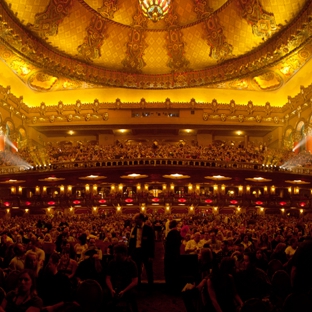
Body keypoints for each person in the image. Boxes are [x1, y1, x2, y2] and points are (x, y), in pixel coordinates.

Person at [105, 243, 138, 312]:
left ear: (123, 254)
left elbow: (135, 281)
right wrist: (111, 289)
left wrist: (124, 291)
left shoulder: (131, 264)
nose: (114, 254)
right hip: (114, 287)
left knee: (132, 295)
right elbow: (108, 278)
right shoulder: (112, 263)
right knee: (104, 294)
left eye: (116, 253)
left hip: (126, 287)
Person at [128, 213, 154, 288]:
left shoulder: (148, 229)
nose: (135, 220)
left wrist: (151, 255)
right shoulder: (134, 229)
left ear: (141, 219)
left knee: (149, 270)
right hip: (136, 252)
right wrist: (130, 254)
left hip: (146, 252)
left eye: (136, 219)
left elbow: (151, 243)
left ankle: (150, 288)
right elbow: (131, 242)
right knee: (137, 270)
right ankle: (138, 287)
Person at [164, 220, 181, 293]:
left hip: (170, 256)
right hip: (176, 255)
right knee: (175, 272)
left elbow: (168, 246)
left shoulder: (171, 233)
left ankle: (170, 289)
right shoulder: (177, 233)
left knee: (170, 272)